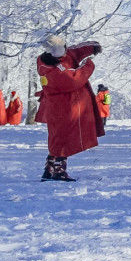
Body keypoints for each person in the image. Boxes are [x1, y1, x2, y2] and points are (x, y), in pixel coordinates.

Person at [35, 36, 103, 181]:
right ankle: (59, 170)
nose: (67, 50)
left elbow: (74, 51)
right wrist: (88, 65)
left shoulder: (52, 58)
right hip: (64, 109)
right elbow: (74, 79)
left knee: (57, 137)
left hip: (60, 108)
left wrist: (92, 47)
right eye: (63, 48)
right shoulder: (54, 71)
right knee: (64, 138)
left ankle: (49, 169)